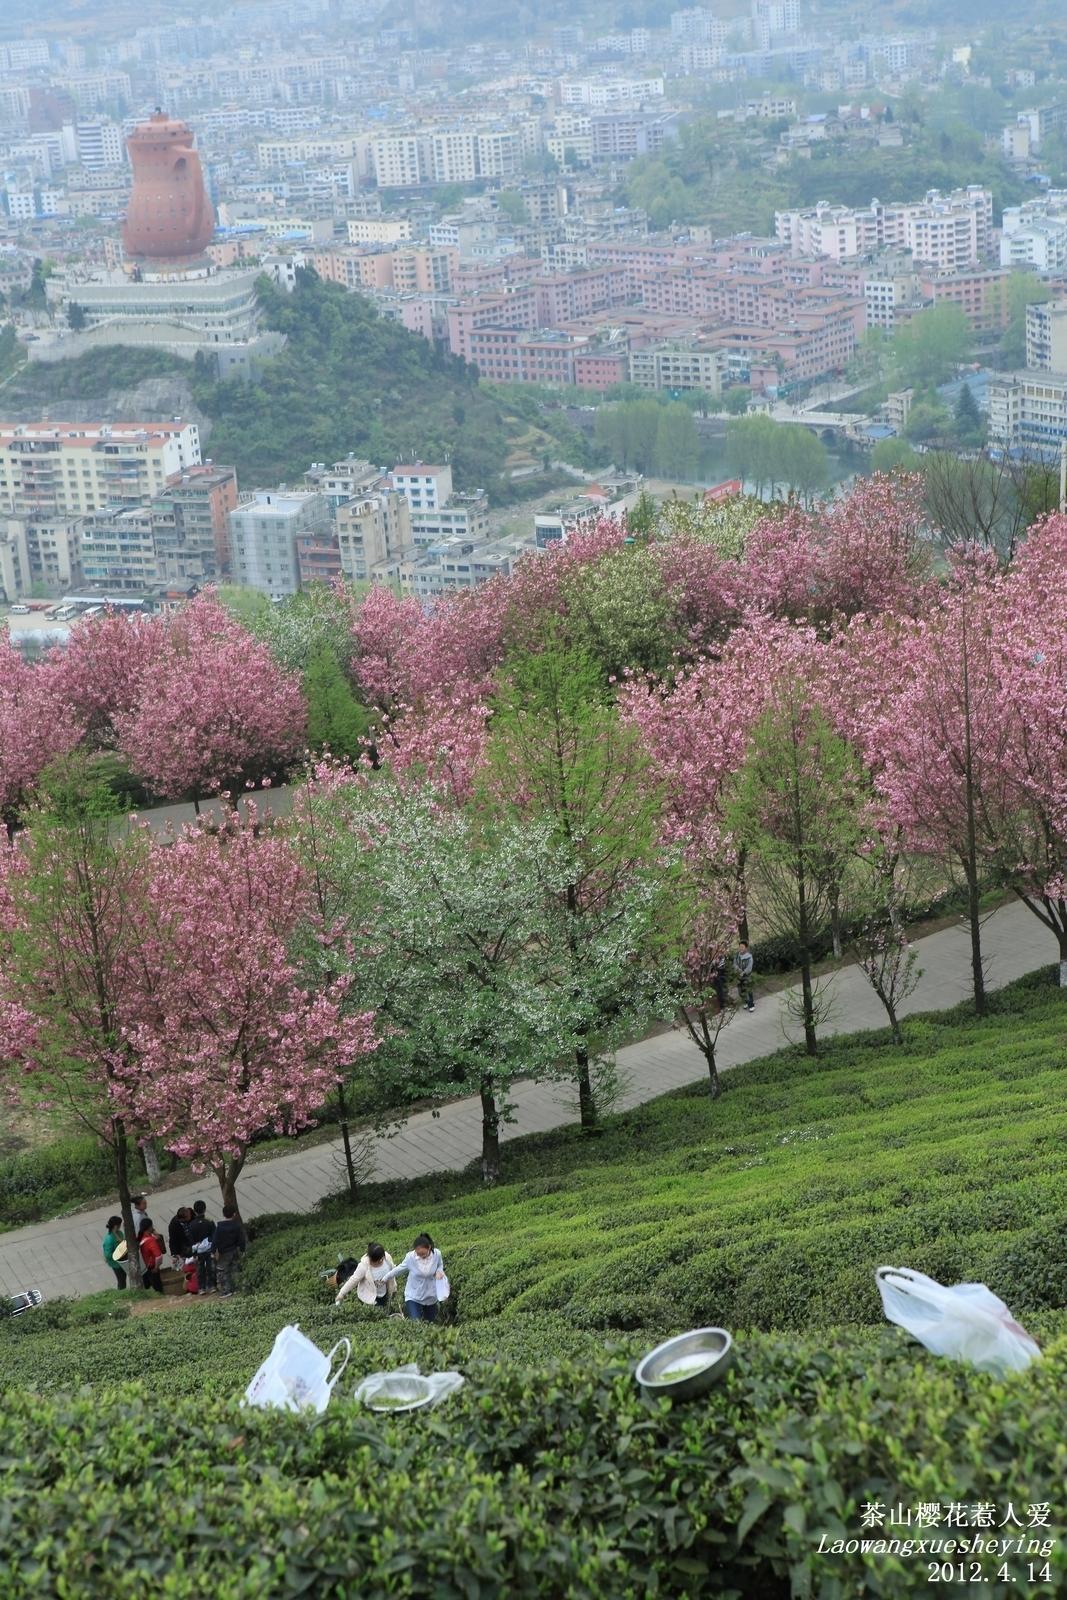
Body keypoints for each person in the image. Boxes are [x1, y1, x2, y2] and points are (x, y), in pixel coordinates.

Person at [382, 1233, 445, 1323]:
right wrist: (386, 1277)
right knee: (415, 1323)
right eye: (418, 1254)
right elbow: (399, 1269)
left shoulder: (437, 1254)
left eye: (423, 1254)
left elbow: (440, 1265)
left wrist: (439, 1271)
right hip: (414, 1295)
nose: (421, 1256)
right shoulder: (410, 1258)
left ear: (429, 1247)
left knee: (431, 1323)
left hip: (430, 1295)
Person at [334, 1243, 397, 1312]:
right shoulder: (364, 1265)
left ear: (381, 1258)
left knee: (383, 1310)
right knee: (375, 1314)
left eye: (376, 1262)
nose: (372, 1263)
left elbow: (392, 1274)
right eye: (372, 1261)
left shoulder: (387, 1259)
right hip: (368, 1297)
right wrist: (341, 1294)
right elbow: (353, 1280)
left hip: (383, 1294)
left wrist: (393, 1289)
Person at [213, 1204, 247, 1298]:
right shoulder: (236, 1226)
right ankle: (237, 1288)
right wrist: (242, 1249)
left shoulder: (219, 1227)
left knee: (222, 1270)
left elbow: (215, 1240)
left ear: (223, 1214)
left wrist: (213, 1251)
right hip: (234, 1250)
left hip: (224, 1252)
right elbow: (241, 1239)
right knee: (234, 1269)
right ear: (234, 1214)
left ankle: (226, 1290)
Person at [187, 1200, 217, 1294]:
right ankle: (212, 1286)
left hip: (198, 1251)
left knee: (200, 1269)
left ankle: (201, 1288)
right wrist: (214, 1249)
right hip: (209, 1250)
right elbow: (214, 1236)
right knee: (210, 1268)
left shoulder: (191, 1225)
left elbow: (191, 1241)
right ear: (204, 1209)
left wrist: (194, 1253)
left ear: (194, 1211)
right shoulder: (209, 1221)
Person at [139, 1219, 165, 1293]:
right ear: (150, 1227)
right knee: (158, 1288)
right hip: (152, 1267)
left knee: (147, 1286)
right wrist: (156, 1267)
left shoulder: (140, 1237)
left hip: (143, 1267)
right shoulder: (150, 1240)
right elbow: (158, 1256)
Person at [102, 1217, 127, 1290]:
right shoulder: (109, 1239)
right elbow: (108, 1255)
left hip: (123, 1259)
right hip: (116, 1263)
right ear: (116, 1226)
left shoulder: (120, 1233)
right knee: (121, 1279)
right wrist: (119, 1253)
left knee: (123, 1278)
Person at [168, 1207, 192, 1271]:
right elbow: (173, 1240)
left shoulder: (191, 1215)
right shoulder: (173, 1225)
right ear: (183, 1218)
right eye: (188, 1216)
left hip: (194, 1243)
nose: (190, 1216)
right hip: (184, 1247)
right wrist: (174, 1253)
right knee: (187, 1268)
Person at [734, 941, 755, 1012]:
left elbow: (749, 967)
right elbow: (734, 964)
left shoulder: (749, 956)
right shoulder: (737, 955)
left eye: (742, 947)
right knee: (741, 990)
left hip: (747, 976)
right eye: (740, 947)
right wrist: (738, 970)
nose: (741, 948)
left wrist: (743, 972)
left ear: (746, 948)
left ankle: (751, 1005)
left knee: (748, 990)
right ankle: (745, 1002)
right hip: (739, 975)